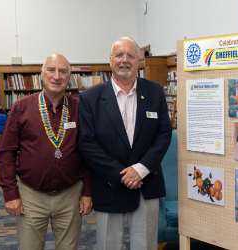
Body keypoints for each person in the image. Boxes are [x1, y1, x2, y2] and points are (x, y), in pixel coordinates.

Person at [78, 37, 172, 250]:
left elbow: (164, 134)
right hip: (109, 185)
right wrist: (122, 174)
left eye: (130, 55)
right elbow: (87, 144)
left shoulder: (155, 92)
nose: (124, 60)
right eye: (119, 55)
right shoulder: (90, 98)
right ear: (110, 60)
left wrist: (140, 170)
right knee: (108, 244)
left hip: (146, 183)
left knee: (146, 245)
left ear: (139, 60)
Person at [0, 53, 92, 250]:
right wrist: (10, 193)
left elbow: (88, 152)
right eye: (51, 70)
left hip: (70, 194)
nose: (56, 76)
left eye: (63, 71)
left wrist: (87, 192)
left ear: (69, 76)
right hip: (31, 196)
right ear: (42, 74)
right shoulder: (21, 107)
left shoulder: (80, 107)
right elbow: (6, 152)